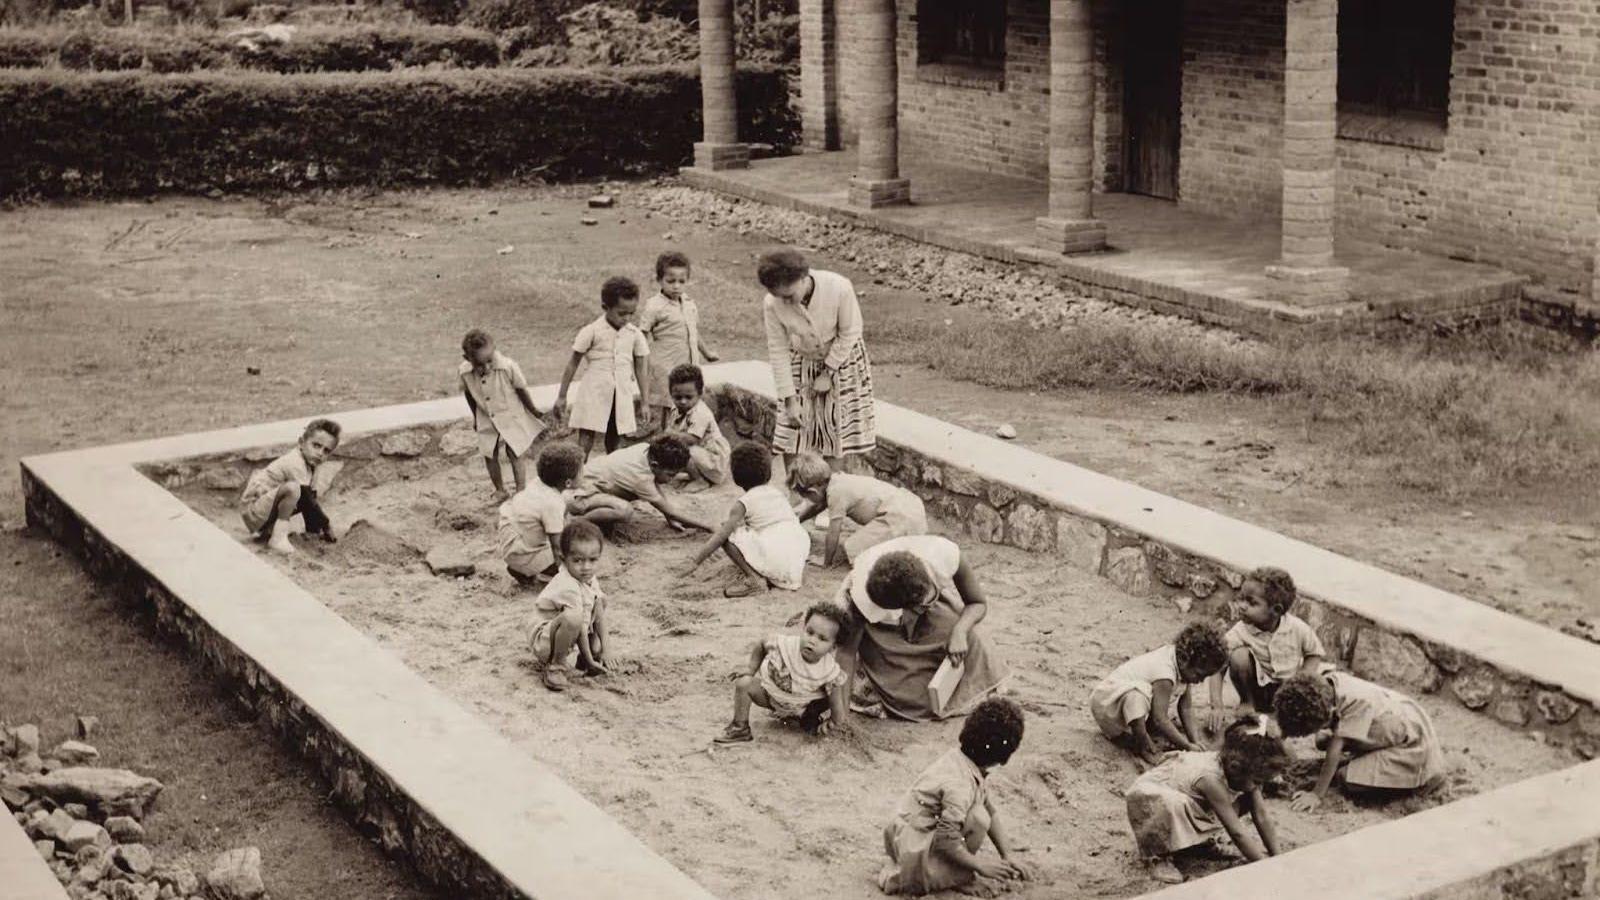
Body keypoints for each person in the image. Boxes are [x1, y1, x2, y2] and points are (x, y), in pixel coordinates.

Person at [837, 536, 1007, 722]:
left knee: (971, 642)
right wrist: (841, 716)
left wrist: (960, 631)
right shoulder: (861, 599)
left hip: (921, 597)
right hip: (880, 623)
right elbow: (846, 653)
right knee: (907, 692)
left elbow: (978, 603)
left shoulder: (943, 554)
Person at [877, 698, 1033, 896]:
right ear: (1002, 758)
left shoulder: (959, 759)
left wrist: (1007, 854)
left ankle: (942, 871)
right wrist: (979, 866)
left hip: (905, 837)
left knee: (980, 810)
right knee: (978, 818)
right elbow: (946, 840)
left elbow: (988, 805)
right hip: (915, 849)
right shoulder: (959, 785)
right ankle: (954, 877)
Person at [1124, 714, 1287, 885]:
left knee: (1247, 800)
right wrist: (1265, 866)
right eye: (1257, 781)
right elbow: (1237, 832)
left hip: (1189, 802)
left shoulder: (1242, 771)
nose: (1258, 786)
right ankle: (1157, 857)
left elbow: (1262, 816)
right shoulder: (1210, 779)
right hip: (1152, 798)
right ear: (1235, 767)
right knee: (1173, 805)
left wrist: (1278, 858)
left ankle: (1195, 845)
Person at [758, 249, 877, 471]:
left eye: (789, 295)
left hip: (841, 357)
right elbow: (777, 350)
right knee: (792, 432)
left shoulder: (839, 287)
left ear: (803, 278)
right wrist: (789, 399)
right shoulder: (771, 304)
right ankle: (795, 495)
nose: (786, 302)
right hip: (802, 358)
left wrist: (828, 372)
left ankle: (830, 492)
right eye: (779, 297)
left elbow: (851, 331)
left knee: (834, 430)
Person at [1273, 670, 1446, 812]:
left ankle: (1407, 786)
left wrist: (1316, 795)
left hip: (1413, 745)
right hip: (1390, 724)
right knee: (1321, 741)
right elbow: (1294, 720)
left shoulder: (1355, 703)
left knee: (1346, 777)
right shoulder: (1323, 685)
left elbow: (1334, 752)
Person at [678, 442, 810, 597]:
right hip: (796, 555)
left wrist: (695, 562)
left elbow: (720, 536)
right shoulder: (777, 493)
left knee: (728, 533)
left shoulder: (744, 503)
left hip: (775, 557)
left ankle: (755, 579)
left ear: (736, 477)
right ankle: (779, 572)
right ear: (769, 473)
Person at [1091, 622, 1229, 766]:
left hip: (1125, 708)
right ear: (1183, 660)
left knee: (1144, 699)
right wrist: (1186, 746)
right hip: (1108, 704)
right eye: (1200, 675)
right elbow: (1160, 719)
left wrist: (1195, 740)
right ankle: (1144, 744)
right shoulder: (1165, 673)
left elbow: (1186, 708)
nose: (1200, 681)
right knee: (1137, 696)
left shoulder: (1184, 667)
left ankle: (1139, 731)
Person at [1207, 566, 1326, 733]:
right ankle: (1248, 703)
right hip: (1256, 689)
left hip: (1286, 691)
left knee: (1317, 686)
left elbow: (1314, 653)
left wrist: (1301, 681)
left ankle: (1283, 714)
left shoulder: (1297, 628)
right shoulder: (1241, 630)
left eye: (1251, 602)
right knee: (1238, 656)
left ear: (1276, 610)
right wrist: (1216, 706)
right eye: (1241, 599)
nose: (1242, 606)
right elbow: (1217, 667)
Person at [714, 601, 851, 744]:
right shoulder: (785, 645)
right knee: (744, 683)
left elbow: (836, 702)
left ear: (833, 647)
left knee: (831, 693)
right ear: (803, 629)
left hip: (803, 707)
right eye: (809, 632)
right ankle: (740, 727)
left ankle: (809, 719)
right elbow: (762, 644)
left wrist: (834, 721)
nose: (812, 641)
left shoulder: (829, 670)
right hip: (771, 697)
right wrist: (751, 669)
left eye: (822, 639)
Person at [499, 442, 626, 587]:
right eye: (581, 472)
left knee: (558, 531)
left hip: (511, 545)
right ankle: (537, 571)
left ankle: (521, 568)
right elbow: (557, 547)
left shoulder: (539, 483)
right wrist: (567, 576)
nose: (584, 474)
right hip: (523, 554)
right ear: (568, 483)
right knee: (578, 558)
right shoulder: (552, 503)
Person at [553, 276, 650, 457]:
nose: (627, 318)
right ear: (606, 307)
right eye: (622, 313)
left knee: (616, 436)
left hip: (620, 393)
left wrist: (645, 402)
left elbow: (641, 369)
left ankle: (612, 472)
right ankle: (578, 473)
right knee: (587, 433)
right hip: (594, 390)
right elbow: (573, 363)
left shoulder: (634, 334)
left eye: (631, 313)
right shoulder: (591, 331)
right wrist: (561, 396)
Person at [790, 452, 927, 566]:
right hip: (910, 507)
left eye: (807, 497)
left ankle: (898, 551)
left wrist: (826, 562)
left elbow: (833, 532)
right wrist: (796, 521)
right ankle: (900, 545)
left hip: (899, 517)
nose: (809, 501)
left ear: (814, 491)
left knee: (853, 547)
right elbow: (817, 506)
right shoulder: (836, 481)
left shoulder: (836, 494)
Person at [459, 328, 543, 500]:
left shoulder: (508, 367)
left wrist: (533, 410)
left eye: (490, 360)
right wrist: (475, 416)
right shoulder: (465, 372)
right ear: (468, 359)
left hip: (510, 413)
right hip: (485, 415)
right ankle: (500, 489)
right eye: (480, 364)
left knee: (515, 451)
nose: (486, 367)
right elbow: (469, 394)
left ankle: (521, 489)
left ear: (494, 350)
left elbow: (521, 390)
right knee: (489, 453)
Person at [639, 251, 719, 432]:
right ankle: (666, 444)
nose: (676, 286)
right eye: (671, 281)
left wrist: (707, 353)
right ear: (659, 280)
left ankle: (685, 443)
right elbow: (642, 334)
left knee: (691, 406)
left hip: (689, 366)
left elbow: (693, 332)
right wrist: (642, 363)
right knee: (671, 407)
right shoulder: (654, 306)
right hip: (666, 366)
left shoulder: (689, 303)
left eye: (681, 281)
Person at [571, 434, 715, 533]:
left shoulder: (645, 449)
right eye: (670, 475)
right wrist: (708, 526)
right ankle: (575, 523)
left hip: (590, 484)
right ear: (654, 464)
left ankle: (599, 517)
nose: (671, 479)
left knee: (626, 496)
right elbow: (671, 510)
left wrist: (669, 518)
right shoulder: (641, 478)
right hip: (579, 495)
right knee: (624, 511)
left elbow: (656, 490)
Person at [528, 520, 610, 692]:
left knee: (600, 601)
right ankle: (555, 666)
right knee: (574, 617)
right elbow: (578, 625)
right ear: (564, 559)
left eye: (593, 560)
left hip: (567, 630)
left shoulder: (588, 578)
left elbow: (599, 613)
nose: (586, 567)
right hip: (546, 638)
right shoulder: (568, 584)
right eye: (578, 560)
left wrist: (607, 650)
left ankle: (588, 656)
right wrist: (590, 660)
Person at [240, 418, 341, 554]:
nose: (320, 453)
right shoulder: (295, 462)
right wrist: (326, 524)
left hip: (267, 508)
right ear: (301, 442)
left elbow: (310, 500)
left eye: (326, 451)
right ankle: (278, 538)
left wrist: (314, 530)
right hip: (254, 511)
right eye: (316, 446)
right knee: (294, 489)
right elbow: (306, 497)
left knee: (307, 494)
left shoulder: (311, 465)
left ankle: (308, 531)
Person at [662, 364, 730, 487]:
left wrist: (670, 434)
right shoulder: (676, 410)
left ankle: (700, 480)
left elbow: (692, 439)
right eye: (678, 397)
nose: (683, 401)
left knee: (681, 449)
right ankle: (694, 473)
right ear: (671, 394)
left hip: (713, 457)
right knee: (673, 447)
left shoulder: (700, 413)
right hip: (701, 452)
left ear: (699, 394)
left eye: (688, 397)